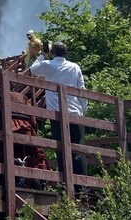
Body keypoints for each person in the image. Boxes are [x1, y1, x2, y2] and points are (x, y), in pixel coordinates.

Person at [29, 41, 88, 181]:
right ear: (66, 53)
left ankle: (65, 183)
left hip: (56, 114)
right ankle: (83, 186)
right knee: (78, 149)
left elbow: (33, 69)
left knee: (61, 149)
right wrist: (83, 111)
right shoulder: (75, 67)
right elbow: (82, 90)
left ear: (52, 52)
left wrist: (43, 55)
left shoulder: (49, 65)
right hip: (75, 112)